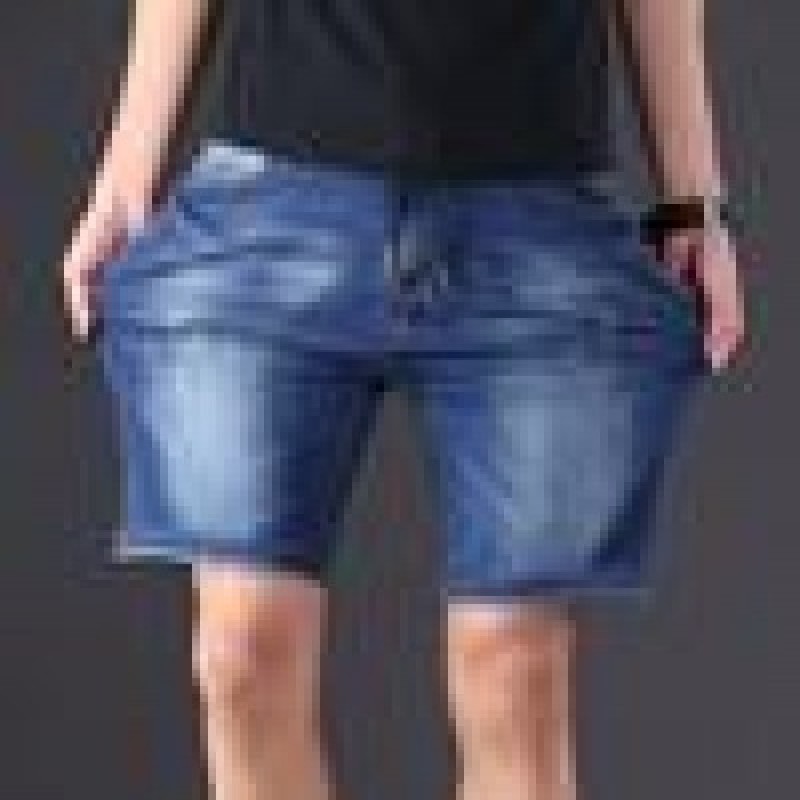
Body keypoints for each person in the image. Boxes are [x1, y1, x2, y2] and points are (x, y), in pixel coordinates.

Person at [60, 0, 745, 798]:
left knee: (514, 667)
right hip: (268, 199)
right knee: (242, 648)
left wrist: (693, 198)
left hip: (536, 204)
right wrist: (128, 164)